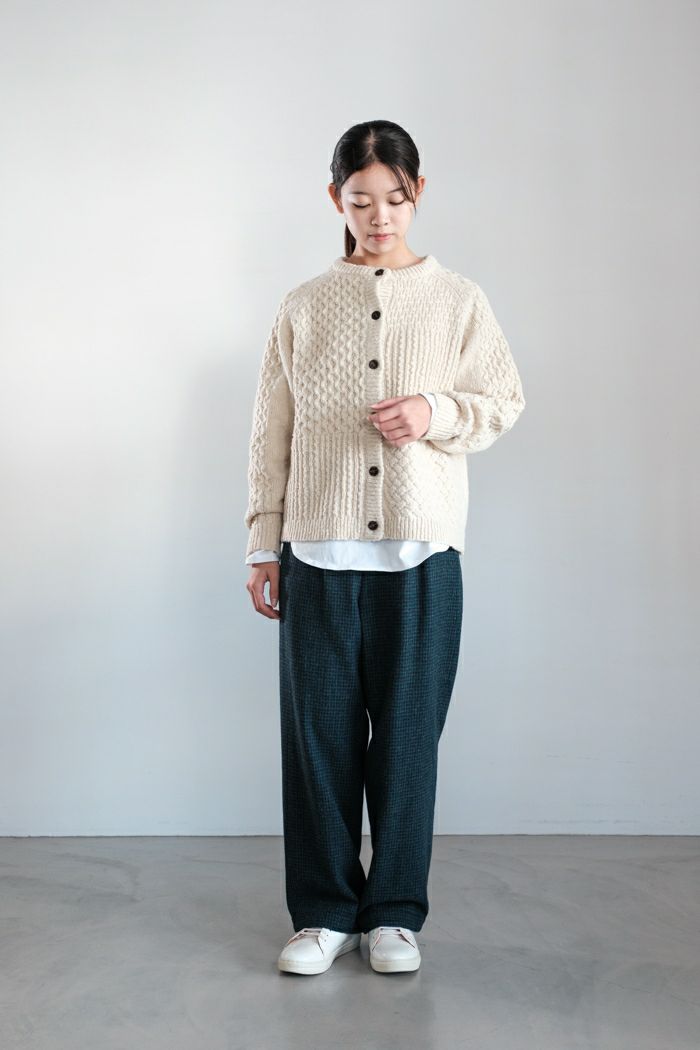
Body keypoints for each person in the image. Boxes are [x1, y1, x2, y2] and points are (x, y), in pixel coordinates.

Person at [243, 119, 526, 976]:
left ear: (418, 194)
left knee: (407, 744)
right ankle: (324, 913)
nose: (378, 216)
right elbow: (270, 434)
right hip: (316, 554)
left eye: (395, 199)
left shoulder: (459, 300)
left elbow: (503, 400)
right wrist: (262, 545)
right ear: (336, 199)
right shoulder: (302, 304)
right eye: (360, 200)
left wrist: (434, 412)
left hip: (422, 555)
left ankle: (395, 914)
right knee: (318, 744)